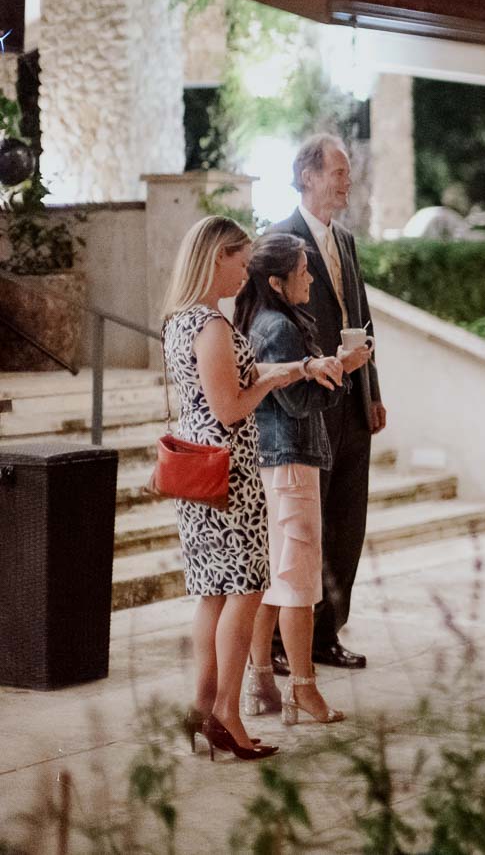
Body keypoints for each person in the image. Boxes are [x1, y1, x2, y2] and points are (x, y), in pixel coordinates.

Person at [161, 217, 321, 761]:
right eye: (240, 259)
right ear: (214, 260)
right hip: (227, 475)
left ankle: (203, 706)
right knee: (247, 589)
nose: (247, 269)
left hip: (198, 473)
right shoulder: (211, 326)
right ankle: (226, 713)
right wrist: (271, 383)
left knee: (213, 593)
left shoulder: (181, 322)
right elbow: (229, 408)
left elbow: (220, 390)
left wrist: (289, 369)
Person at [235, 234, 370, 726]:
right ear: (277, 281)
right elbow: (297, 402)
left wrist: (331, 368)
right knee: (297, 579)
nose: (310, 278)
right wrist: (341, 376)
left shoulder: (260, 319)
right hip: (290, 461)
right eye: (302, 271)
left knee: (274, 577)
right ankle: (303, 689)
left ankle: (263, 684)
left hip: (275, 459)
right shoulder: (279, 327)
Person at [266, 133, 384, 672]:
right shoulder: (280, 240)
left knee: (346, 525)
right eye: (338, 171)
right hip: (308, 407)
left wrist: (372, 392)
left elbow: (363, 322)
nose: (347, 180)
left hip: (352, 407)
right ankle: (282, 645)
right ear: (309, 175)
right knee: (304, 535)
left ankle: (327, 634)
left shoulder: (346, 243)